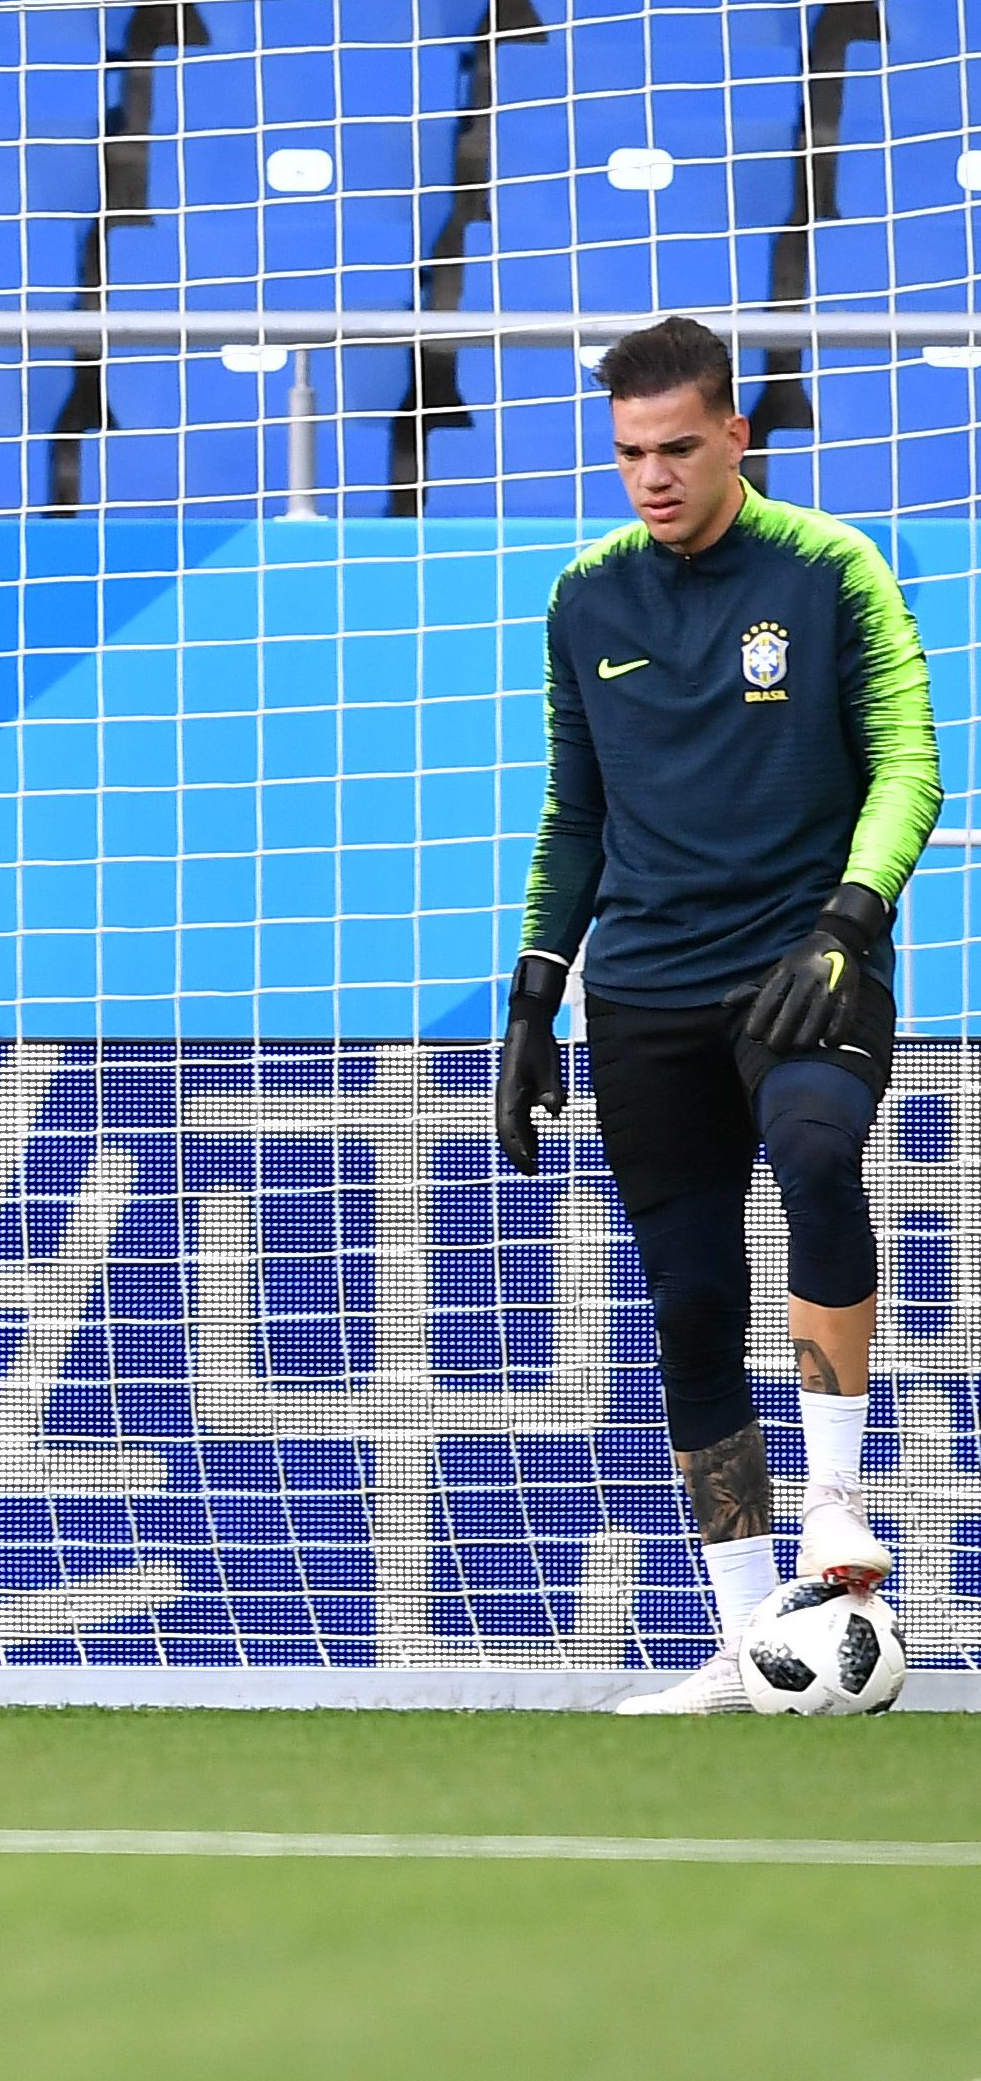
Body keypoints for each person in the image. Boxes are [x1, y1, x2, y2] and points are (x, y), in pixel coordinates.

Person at [494, 315, 942, 1714]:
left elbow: (910, 762)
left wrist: (850, 918)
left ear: (737, 434)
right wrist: (532, 994)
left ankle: (834, 1504)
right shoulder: (586, 596)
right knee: (690, 1302)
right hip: (645, 987)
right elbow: (578, 813)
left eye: (678, 447)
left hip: (805, 960)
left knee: (818, 1152)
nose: (652, 477)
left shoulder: (830, 567)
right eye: (629, 453)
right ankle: (751, 1646)